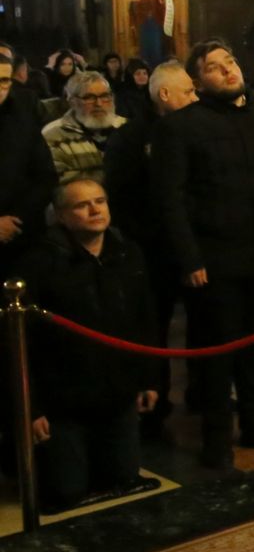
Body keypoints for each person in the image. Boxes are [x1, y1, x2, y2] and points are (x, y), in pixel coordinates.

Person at [151, 39, 254, 466]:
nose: (227, 71)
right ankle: (217, 437)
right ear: (197, 81)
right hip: (214, 259)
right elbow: (171, 200)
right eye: (214, 67)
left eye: (231, 62)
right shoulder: (181, 127)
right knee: (217, 351)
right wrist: (190, 259)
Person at [21, 179, 162, 513]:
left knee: (122, 481)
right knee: (66, 493)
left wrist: (148, 379)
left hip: (116, 393)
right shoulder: (39, 263)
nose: (95, 210)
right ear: (60, 215)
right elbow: (20, 341)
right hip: (62, 399)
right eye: (82, 205)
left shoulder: (127, 250)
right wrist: (32, 408)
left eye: (100, 201)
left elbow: (145, 321)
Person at [103, 60, 198, 436]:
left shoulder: (197, 130)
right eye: (188, 91)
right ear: (164, 95)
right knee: (152, 327)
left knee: (202, 322)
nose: (194, 97)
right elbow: (123, 195)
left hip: (193, 244)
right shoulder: (132, 137)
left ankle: (204, 391)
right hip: (152, 248)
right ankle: (153, 402)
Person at [0, 50, 54, 276]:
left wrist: (14, 221)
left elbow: (44, 175)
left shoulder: (22, 112)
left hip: (21, 234)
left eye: (4, 81)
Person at [42, 70, 126, 183]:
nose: (99, 104)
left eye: (105, 96)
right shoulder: (53, 135)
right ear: (72, 102)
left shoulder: (126, 127)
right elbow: (59, 180)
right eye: (89, 98)